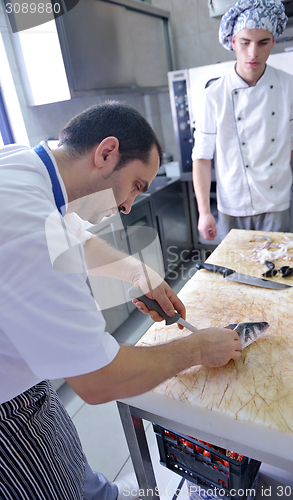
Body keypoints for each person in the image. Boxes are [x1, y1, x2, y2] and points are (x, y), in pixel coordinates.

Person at [0, 101, 242, 500]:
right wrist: (198, 347)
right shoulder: (29, 226)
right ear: (106, 152)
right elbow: (99, 380)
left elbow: (74, 236)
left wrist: (137, 273)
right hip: (7, 415)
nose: (129, 205)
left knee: (76, 471)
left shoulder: (24, 165)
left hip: (26, 381)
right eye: (136, 185)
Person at [192, 0, 293, 242]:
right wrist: (204, 211)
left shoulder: (290, 86)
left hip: (277, 203)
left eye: (262, 43)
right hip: (232, 206)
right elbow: (202, 157)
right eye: (245, 42)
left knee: (277, 270)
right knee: (237, 274)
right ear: (232, 42)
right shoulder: (213, 95)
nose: (253, 53)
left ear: (273, 42)